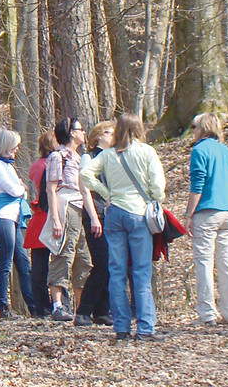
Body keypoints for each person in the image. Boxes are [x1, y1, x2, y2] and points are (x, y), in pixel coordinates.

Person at [80, 113, 166, 341]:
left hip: (114, 213)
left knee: (116, 271)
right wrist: (154, 198)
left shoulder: (108, 155)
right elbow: (158, 185)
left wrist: (107, 193)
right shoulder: (147, 152)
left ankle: (122, 328)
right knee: (140, 271)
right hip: (138, 213)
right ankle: (146, 328)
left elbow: (86, 173)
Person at [185, 113, 228, 326]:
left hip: (207, 211)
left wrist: (189, 214)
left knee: (204, 263)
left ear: (201, 128)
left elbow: (197, 184)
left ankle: (208, 313)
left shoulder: (200, 150)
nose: (193, 130)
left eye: (194, 126)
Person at [43, 118, 98, 321]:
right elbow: (51, 189)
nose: (84, 133)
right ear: (71, 133)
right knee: (63, 253)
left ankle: (82, 308)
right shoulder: (58, 157)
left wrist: (93, 217)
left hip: (81, 208)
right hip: (65, 206)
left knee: (84, 258)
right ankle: (57, 305)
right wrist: (56, 219)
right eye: (80, 129)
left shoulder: (80, 157)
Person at [0, 128, 35, 320]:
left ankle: (34, 307)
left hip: (13, 217)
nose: (17, 149)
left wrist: (21, 189)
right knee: (5, 263)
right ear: (5, 146)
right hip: (1, 217)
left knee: (23, 262)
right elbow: (15, 190)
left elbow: (22, 192)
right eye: (14, 145)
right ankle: (3, 309)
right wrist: (21, 188)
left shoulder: (8, 166)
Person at [74, 120, 115, 327]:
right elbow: (85, 190)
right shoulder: (88, 158)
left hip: (112, 214)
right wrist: (94, 217)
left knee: (109, 263)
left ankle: (102, 310)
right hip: (95, 213)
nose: (113, 135)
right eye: (109, 132)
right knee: (102, 261)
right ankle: (83, 310)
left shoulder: (113, 157)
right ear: (98, 136)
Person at [26, 132, 60, 318]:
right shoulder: (51, 165)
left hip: (40, 217)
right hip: (49, 215)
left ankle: (42, 307)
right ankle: (60, 303)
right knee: (57, 262)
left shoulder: (36, 166)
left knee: (39, 265)